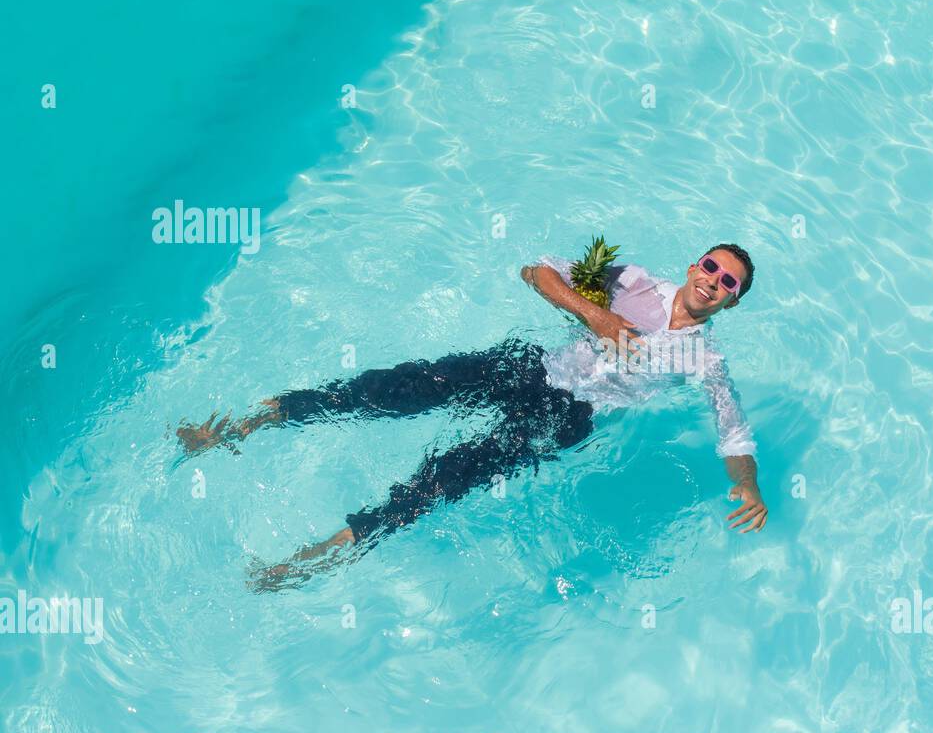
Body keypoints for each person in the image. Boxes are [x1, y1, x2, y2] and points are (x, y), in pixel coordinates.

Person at [177, 245, 767, 590]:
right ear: (694, 264)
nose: (714, 282)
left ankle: (316, 555)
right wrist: (596, 315)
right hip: (529, 367)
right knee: (392, 388)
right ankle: (244, 426)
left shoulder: (706, 359)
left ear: (733, 300)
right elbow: (536, 269)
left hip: (568, 416)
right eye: (711, 268)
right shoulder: (633, 281)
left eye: (728, 283)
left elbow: (732, 427)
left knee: (445, 478)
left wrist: (747, 486)